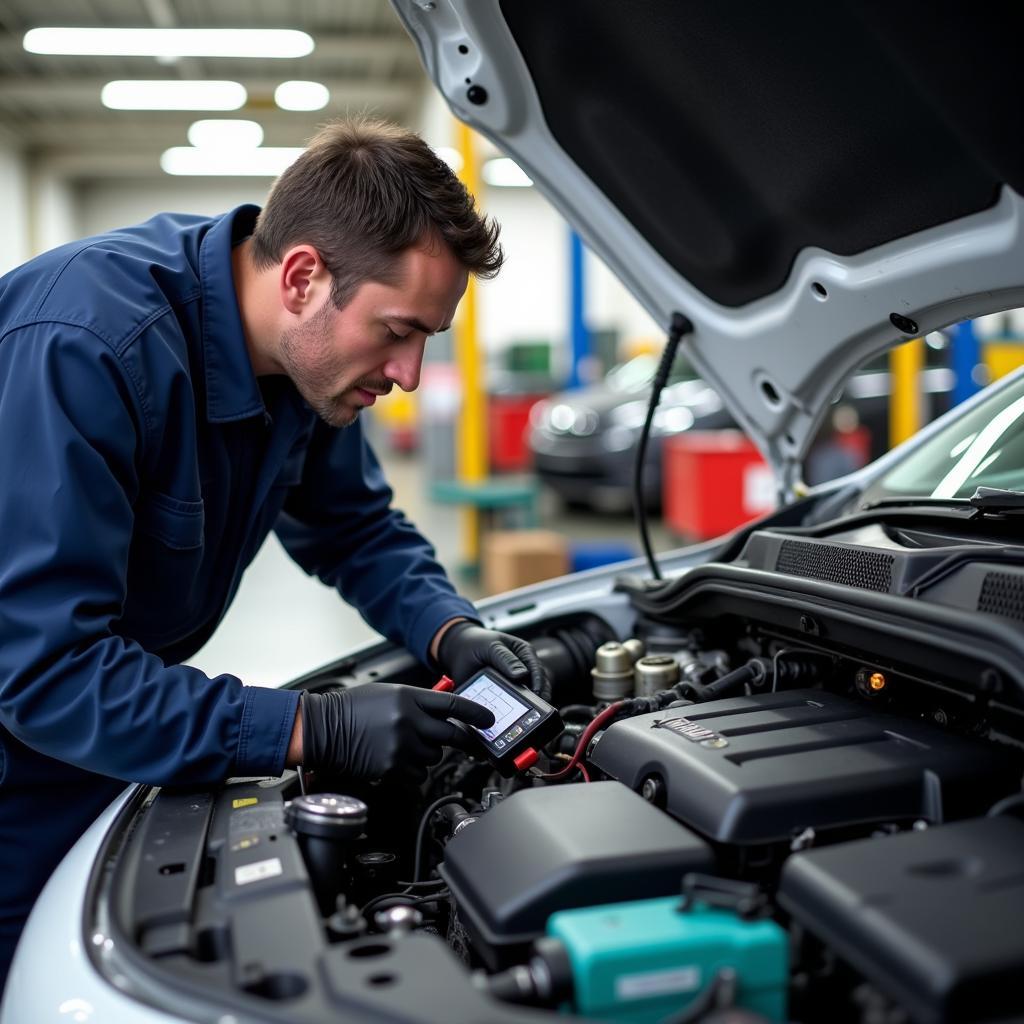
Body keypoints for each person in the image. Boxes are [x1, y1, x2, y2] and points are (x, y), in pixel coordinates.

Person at [0, 117, 545, 987]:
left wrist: (450, 631)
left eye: (426, 342)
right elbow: (45, 673)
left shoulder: (307, 364)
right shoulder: (87, 349)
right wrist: (308, 725)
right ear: (302, 277)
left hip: (106, 736)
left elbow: (354, 526)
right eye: (397, 330)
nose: (407, 375)